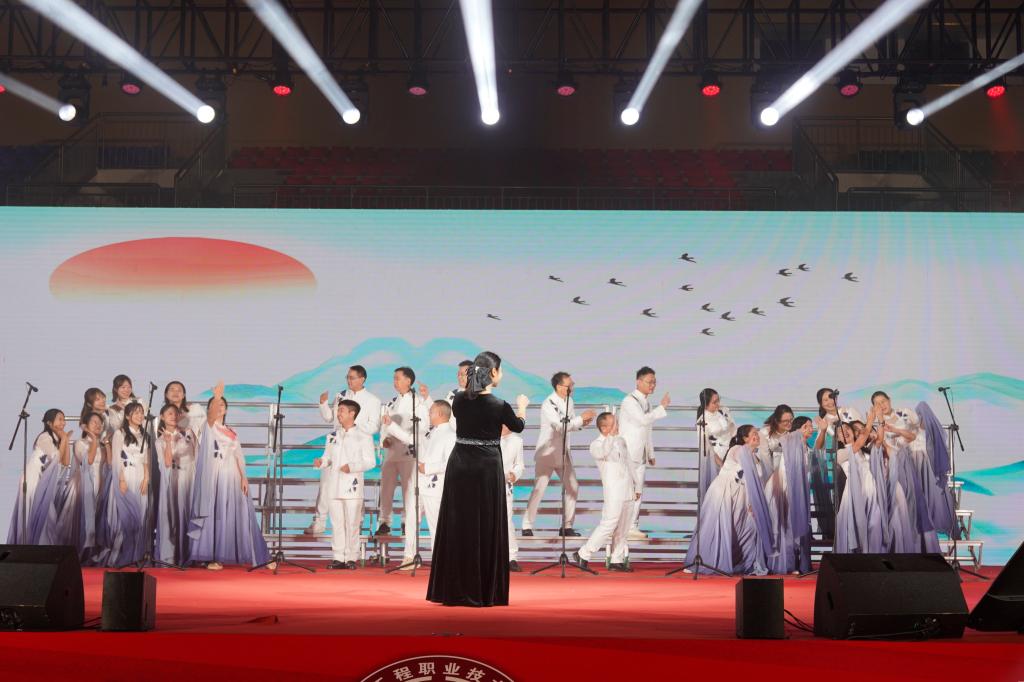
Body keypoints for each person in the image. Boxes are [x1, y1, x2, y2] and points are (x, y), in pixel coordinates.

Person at [427, 351, 528, 607]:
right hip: (485, 467)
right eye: (500, 370)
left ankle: (453, 589)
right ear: (493, 373)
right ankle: (482, 589)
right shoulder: (499, 405)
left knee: (459, 523)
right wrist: (523, 407)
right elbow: (517, 426)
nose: (501, 374)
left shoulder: (460, 400)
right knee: (485, 523)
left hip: (460, 464)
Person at [188, 382, 272, 570]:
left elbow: (238, 455)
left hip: (232, 476)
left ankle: (251, 555)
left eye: (222, 405)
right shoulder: (207, 426)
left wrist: (243, 477)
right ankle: (212, 557)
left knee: (234, 514)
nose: (219, 408)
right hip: (214, 476)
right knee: (213, 514)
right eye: (215, 405)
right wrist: (217, 397)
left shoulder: (232, 430)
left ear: (226, 410)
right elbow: (211, 419)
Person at [684, 425, 774, 575]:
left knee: (745, 527)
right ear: (745, 438)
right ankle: (708, 560)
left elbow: (757, 480)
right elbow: (746, 474)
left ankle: (740, 561)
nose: (757, 436)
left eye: (757, 433)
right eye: (753, 434)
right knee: (719, 526)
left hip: (742, 494)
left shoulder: (755, 456)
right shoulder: (737, 450)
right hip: (725, 491)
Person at [309, 365, 382, 534]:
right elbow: (330, 418)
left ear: (362, 379)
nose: (349, 380)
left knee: (354, 484)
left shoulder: (373, 400)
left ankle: (357, 521)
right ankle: (319, 522)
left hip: (356, 444)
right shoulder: (341, 395)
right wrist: (323, 404)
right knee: (326, 483)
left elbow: (374, 426)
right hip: (337, 442)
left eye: (352, 377)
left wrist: (354, 429)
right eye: (347, 377)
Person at [522, 372, 595, 537]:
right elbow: (560, 426)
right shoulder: (548, 403)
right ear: (559, 386)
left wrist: (583, 422)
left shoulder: (570, 401)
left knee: (573, 487)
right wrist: (580, 419)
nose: (572, 387)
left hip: (563, 452)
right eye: (570, 385)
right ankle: (527, 525)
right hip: (547, 453)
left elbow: (572, 425)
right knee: (539, 488)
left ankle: (567, 526)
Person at [871, 391, 940, 553]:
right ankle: (894, 545)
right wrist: (880, 422)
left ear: (889, 400)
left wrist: (895, 429)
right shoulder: (875, 423)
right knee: (895, 503)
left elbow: (912, 436)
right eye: (877, 403)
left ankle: (917, 546)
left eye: (883, 401)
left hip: (906, 461)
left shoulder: (903, 413)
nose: (882, 405)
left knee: (913, 501)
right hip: (888, 464)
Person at [392, 400, 457, 569]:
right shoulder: (430, 432)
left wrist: (427, 468)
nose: (429, 414)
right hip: (419, 484)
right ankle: (409, 556)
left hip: (435, 486)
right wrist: (390, 425)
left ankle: (440, 561)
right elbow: (410, 439)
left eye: (431, 412)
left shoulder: (451, 435)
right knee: (411, 519)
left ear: (440, 414)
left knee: (436, 524)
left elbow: (451, 463)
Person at [573, 413, 637, 572]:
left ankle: (616, 559)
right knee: (609, 523)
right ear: (603, 428)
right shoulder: (596, 444)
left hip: (628, 488)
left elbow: (629, 463)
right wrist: (611, 436)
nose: (617, 426)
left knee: (624, 527)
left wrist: (637, 486)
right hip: (614, 490)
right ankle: (583, 553)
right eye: (614, 423)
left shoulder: (621, 441)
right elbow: (604, 452)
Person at [316, 399, 376, 570]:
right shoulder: (332, 436)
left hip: (352, 486)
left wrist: (352, 467)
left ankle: (351, 557)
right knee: (337, 523)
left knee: (352, 523)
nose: (338, 413)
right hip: (334, 485)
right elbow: (327, 458)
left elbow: (370, 462)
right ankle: (338, 556)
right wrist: (321, 462)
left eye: (341, 410)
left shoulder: (364, 436)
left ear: (352, 413)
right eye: (338, 410)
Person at [376, 367, 430, 536]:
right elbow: (384, 426)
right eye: (394, 378)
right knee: (386, 488)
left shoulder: (418, 402)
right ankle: (384, 522)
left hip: (409, 452)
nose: (395, 382)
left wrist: (405, 434)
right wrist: (384, 439)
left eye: (398, 378)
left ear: (408, 380)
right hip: (391, 452)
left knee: (410, 489)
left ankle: (408, 522)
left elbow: (424, 427)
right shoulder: (391, 403)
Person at [618, 367, 670, 541]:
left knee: (638, 491)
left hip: (640, 454)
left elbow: (648, 430)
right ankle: (622, 526)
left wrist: (651, 453)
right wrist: (662, 407)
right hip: (628, 453)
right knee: (627, 491)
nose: (652, 385)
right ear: (638, 382)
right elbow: (642, 420)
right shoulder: (629, 401)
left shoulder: (647, 403)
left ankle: (632, 526)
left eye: (654, 382)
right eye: (649, 382)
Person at [7, 409, 69, 544]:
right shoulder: (45, 437)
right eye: (60, 419)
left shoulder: (56, 439)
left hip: (42, 480)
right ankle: (27, 545)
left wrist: (65, 440)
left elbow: (65, 462)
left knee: (47, 513)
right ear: (49, 423)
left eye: (64, 420)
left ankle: (42, 546)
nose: (63, 423)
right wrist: (64, 439)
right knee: (31, 512)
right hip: (33, 478)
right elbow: (56, 458)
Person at [762, 416, 814, 574]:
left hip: (798, 488)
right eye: (807, 426)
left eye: (811, 426)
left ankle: (797, 562)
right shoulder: (791, 442)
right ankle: (784, 563)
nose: (811, 429)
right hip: (785, 487)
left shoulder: (806, 446)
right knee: (785, 524)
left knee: (794, 523)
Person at [105, 401, 150, 567]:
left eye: (141, 412)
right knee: (124, 518)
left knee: (140, 517)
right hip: (125, 475)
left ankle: (135, 556)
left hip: (141, 477)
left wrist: (146, 478)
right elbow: (116, 458)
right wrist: (121, 480)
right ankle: (118, 557)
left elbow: (146, 459)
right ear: (128, 416)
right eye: (136, 412)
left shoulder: (144, 435)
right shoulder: (120, 433)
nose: (140, 416)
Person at [155, 403, 197, 566]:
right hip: (172, 481)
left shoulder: (187, 433)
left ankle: (192, 555)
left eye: (175, 413)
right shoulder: (160, 440)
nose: (173, 416)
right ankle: (172, 556)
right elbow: (166, 463)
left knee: (189, 515)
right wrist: (167, 442)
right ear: (162, 417)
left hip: (189, 479)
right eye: (169, 414)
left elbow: (197, 454)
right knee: (173, 517)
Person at [74, 411, 107, 562]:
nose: (98, 425)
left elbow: (108, 464)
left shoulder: (103, 444)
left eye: (100, 422)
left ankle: (96, 554)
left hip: (101, 482)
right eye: (94, 422)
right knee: (88, 518)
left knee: (99, 517)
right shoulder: (80, 443)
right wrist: (93, 439)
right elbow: (89, 461)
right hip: (87, 483)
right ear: (85, 426)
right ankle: (85, 554)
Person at [695, 387, 735, 498]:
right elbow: (706, 446)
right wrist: (720, 463)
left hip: (731, 452)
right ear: (706, 405)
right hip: (717, 456)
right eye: (714, 402)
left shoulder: (723, 411)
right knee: (719, 489)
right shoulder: (702, 421)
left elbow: (733, 429)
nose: (718, 404)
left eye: (718, 400)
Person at [500, 423, 525, 572]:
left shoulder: (517, 441)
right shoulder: (487, 436)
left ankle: (511, 557)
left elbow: (519, 464)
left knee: (507, 521)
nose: (503, 425)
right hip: (485, 484)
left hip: (505, 485)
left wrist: (514, 474)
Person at [757, 405, 793, 483]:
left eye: (791, 420)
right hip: (769, 472)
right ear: (777, 420)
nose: (789, 423)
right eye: (785, 421)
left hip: (786, 472)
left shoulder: (791, 433)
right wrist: (772, 480)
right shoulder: (764, 433)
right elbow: (765, 459)